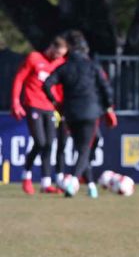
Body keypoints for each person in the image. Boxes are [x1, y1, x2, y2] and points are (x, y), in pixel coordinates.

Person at [43, 30, 117, 198]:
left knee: (82, 148)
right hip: (90, 112)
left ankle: (91, 186)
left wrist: (56, 103)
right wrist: (109, 109)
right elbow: (106, 89)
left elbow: (46, 84)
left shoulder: (63, 67)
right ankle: (74, 182)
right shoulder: (92, 66)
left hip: (71, 113)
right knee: (84, 150)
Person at [11, 35, 67, 195]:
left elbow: (59, 88)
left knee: (49, 144)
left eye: (61, 56)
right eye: (57, 54)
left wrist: (62, 108)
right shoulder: (34, 58)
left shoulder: (59, 64)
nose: (58, 58)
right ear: (51, 48)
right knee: (40, 142)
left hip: (50, 107)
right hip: (33, 104)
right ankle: (26, 176)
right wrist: (15, 101)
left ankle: (46, 183)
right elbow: (19, 79)